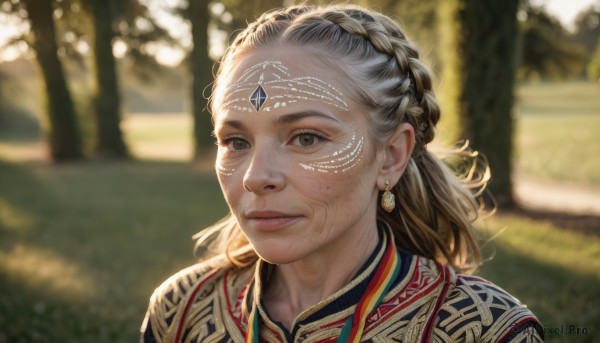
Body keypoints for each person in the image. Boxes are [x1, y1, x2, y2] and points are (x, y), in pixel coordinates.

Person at [140, 4, 544, 342]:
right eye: (236, 142)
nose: (255, 176)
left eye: (306, 138)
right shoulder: (181, 311)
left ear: (390, 156)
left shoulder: (487, 330)